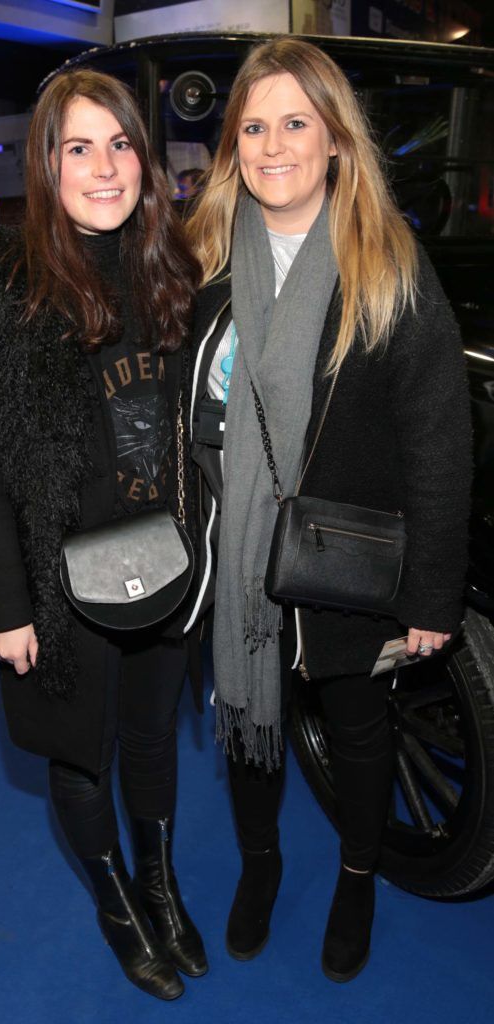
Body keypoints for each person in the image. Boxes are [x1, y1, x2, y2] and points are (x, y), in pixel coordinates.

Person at [185, 36, 471, 982]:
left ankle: (356, 876)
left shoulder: (388, 264)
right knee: (249, 722)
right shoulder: (206, 260)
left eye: (294, 122)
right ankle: (259, 866)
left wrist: (431, 593)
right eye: (252, 126)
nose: (272, 145)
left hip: (342, 560)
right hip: (236, 557)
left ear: (336, 139)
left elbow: (438, 440)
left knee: (357, 730)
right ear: (233, 146)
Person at [0, 68, 206, 1001]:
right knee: (78, 751)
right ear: (46, 165)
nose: (104, 167)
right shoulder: (7, 285)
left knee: (150, 739)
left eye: (120, 143)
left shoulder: (171, 267)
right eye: (77, 148)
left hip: (167, 562)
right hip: (58, 582)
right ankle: (114, 901)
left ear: (145, 156)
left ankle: (160, 884)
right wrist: (6, 604)